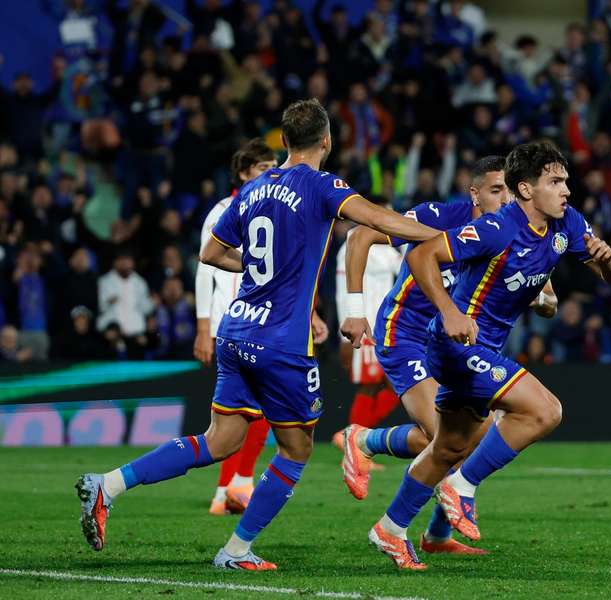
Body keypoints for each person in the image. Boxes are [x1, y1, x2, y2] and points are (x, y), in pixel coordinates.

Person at [75, 98, 441, 571]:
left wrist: (255, 269)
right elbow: (377, 220)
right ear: (326, 142)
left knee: (220, 440)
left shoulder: (253, 189)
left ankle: (109, 484)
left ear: (284, 142)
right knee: (297, 448)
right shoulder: (322, 185)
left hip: (237, 330)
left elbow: (210, 252)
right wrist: (442, 237)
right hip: (280, 342)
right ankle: (236, 550)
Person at [366, 141, 611, 570]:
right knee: (544, 411)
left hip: (484, 350)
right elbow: (422, 254)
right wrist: (448, 312)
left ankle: (390, 529)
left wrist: (610, 258)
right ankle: (461, 488)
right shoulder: (498, 228)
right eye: (555, 182)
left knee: (448, 446)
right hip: (456, 346)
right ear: (525, 189)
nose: (566, 191)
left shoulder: (568, 224)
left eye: (566, 181)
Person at [341, 156, 553, 556]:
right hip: (406, 335)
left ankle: (433, 531)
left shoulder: (513, 231)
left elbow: (546, 297)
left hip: (456, 346)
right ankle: (368, 445)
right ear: (474, 193)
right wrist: (354, 307)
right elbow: (360, 237)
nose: (505, 197)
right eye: (495, 190)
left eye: (509, 189)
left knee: (466, 438)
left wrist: (542, 297)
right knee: (446, 439)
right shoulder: (437, 217)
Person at [194, 138, 279, 517]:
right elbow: (203, 270)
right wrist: (202, 327)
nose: (271, 173)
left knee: (261, 411)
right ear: (244, 173)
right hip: (230, 323)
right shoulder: (222, 211)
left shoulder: (275, 209)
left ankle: (235, 487)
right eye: (263, 168)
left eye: (274, 166)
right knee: (236, 414)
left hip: (266, 322)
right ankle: (227, 489)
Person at [332, 195, 403, 457]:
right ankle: (354, 439)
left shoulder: (387, 247)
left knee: (394, 386)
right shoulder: (355, 242)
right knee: (371, 385)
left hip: (386, 327)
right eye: (388, 213)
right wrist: (344, 334)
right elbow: (342, 291)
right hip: (365, 328)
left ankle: (354, 437)